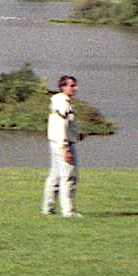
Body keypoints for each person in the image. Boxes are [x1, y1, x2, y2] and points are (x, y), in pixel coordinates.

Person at [43, 74, 85, 218]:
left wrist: (77, 134)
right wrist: (66, 148)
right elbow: (62, 125)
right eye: (72, 85)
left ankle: (48, 208)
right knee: (69, 176)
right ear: (63, 86)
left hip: (56, 142)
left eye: (74, 85)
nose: (75, 88)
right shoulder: (63, 103)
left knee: (55, 175)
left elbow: (66, 124)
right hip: (63, 143)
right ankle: (68, 211)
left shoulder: (60, 101)